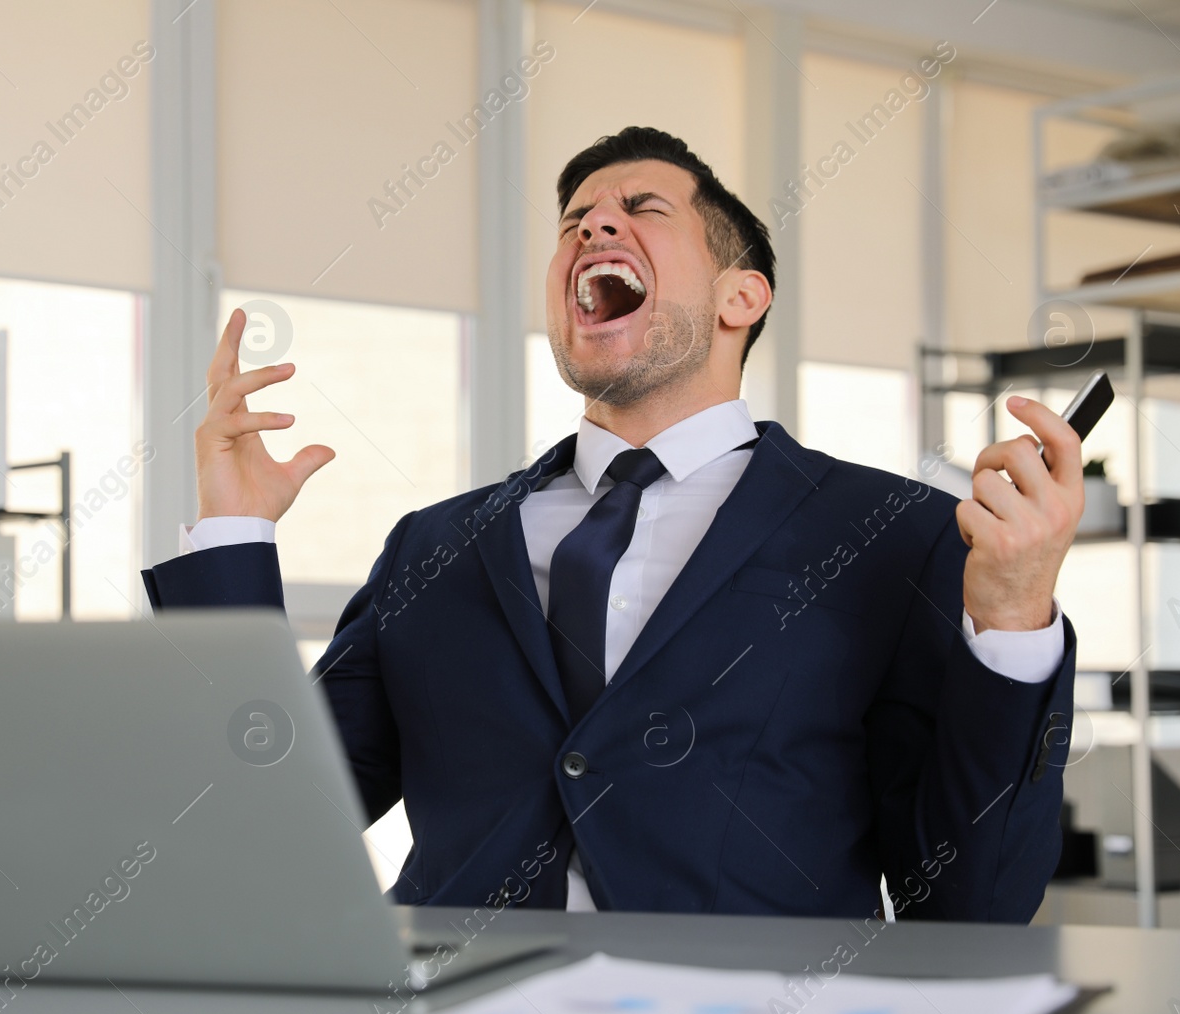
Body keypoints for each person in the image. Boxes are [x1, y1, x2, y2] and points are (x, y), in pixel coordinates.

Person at [143, 127, 1081, 921]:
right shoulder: (434, 547)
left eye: (643, 209)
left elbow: (973, 901)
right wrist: (233, 537)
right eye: (574, 223)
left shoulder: (893, 534)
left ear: (740, 297)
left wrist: (1013, 614)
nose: (594, 224)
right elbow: (254, 821)